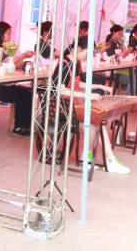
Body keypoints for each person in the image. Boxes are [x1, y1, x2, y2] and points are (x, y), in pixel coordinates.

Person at [50, 45, 130, 174]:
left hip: (73, 106)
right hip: (61, 108)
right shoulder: (64, 65)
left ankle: (97, 158)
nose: (87, 57)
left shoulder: (76, 63)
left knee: (97, 121)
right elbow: (60, 90)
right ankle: (104, 159)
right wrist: (87, 95)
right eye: (86, 53)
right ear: (78, 49)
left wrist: (99, 86)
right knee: (95, 122)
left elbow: (78, 84)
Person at [0, 21, 35, 137]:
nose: (10, 36)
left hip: (4, 84)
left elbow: (13, 65)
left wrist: (24, 59)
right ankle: (19, 127)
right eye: (8, 33)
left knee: (28, 93)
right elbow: (6, 64)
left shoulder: (6, 48)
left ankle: (26, 126)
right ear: (1, 34)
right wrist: (23, 55)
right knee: (23, 96)